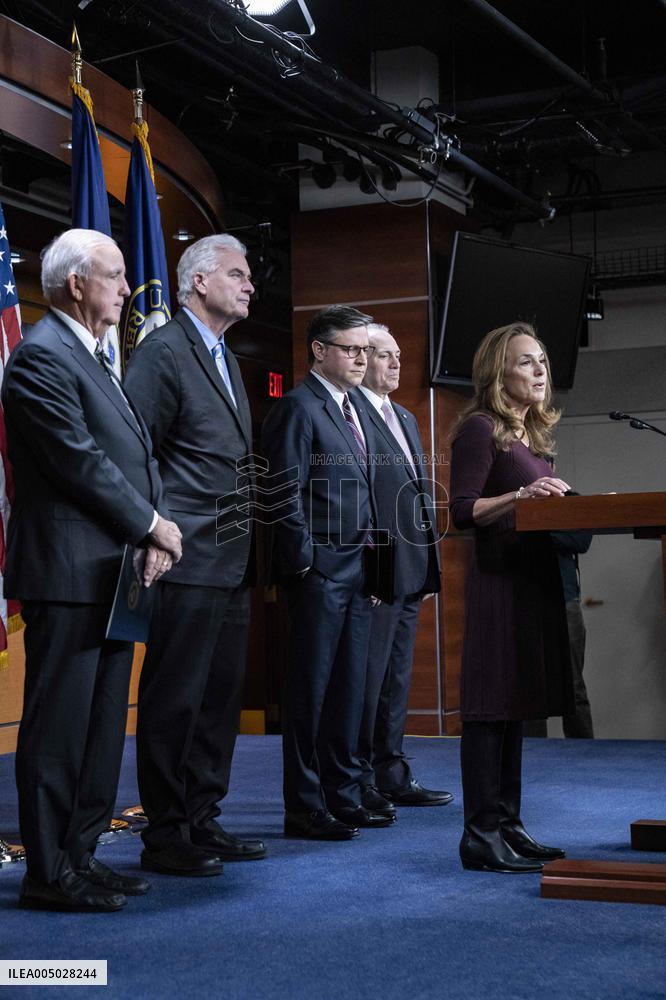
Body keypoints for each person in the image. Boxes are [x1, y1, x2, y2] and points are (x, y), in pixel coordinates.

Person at [2, 229, 182, 911]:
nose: (125, 289)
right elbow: (80, 460)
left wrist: (155, 525)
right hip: (68, 572)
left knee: (104, 726)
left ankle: (81, 855)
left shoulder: (100, 356)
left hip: (115, 573)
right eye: (114, 275)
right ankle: (48, 874)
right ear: (76, 283)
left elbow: (140, 454)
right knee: (58, 731)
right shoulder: (40, 359)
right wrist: (151, 523)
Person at [124, 234, 265, 876]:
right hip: (185, 557)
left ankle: (203, 818)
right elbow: (136, 450)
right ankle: (167, 833)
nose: (250, 285)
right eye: (238, 274)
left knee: (217, 700)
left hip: (232, 560)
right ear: (199, 282)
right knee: (175, 699)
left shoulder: (227, 359)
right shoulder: (163, 350)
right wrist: (154, 530)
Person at [261, 305, 392, 839]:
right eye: (352, 349)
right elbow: (281, 492)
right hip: (318, 573)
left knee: (349, 690)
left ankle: (342, 792)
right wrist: (305, 564)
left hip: (359, 571)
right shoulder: (299, 406)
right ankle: (305, 804)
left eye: (366, 349)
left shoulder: (351, 407)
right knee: (310, 692)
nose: (363, 358)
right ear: (319, 350)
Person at [450, 321, 574, 874]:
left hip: (530, 583)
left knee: (515, 708)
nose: (540, 370)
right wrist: (522, 494)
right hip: (498, 584)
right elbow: (461, 511)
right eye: (527, 361)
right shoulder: (481, 429)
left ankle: (507, 822)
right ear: (499, 372)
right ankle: (479, 833)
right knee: (489, 708)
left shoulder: (532, 438)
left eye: (542, 360)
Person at [355, 323, 452, 814]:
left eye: (398, 355)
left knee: (396, 679)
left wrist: (428, 567)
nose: (395, 364)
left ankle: (391, 772)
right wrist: (370, 569)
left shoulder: (407, 418)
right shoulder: (351, 417)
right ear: (360, 358)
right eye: (383, 355)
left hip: (412, 567)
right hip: (378, 571)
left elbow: (415, 499)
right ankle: (359, 778)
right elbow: (361, 502)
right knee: (367, 680)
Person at [553, 530, 594, 738]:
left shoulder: (569, 500)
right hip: (528, 599)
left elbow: (580, 540)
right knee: (528, 684)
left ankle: (584, 749)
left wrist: (536, 532)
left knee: (573, 684)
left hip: (566, 599)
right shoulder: (521, 502)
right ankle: (529, 749)